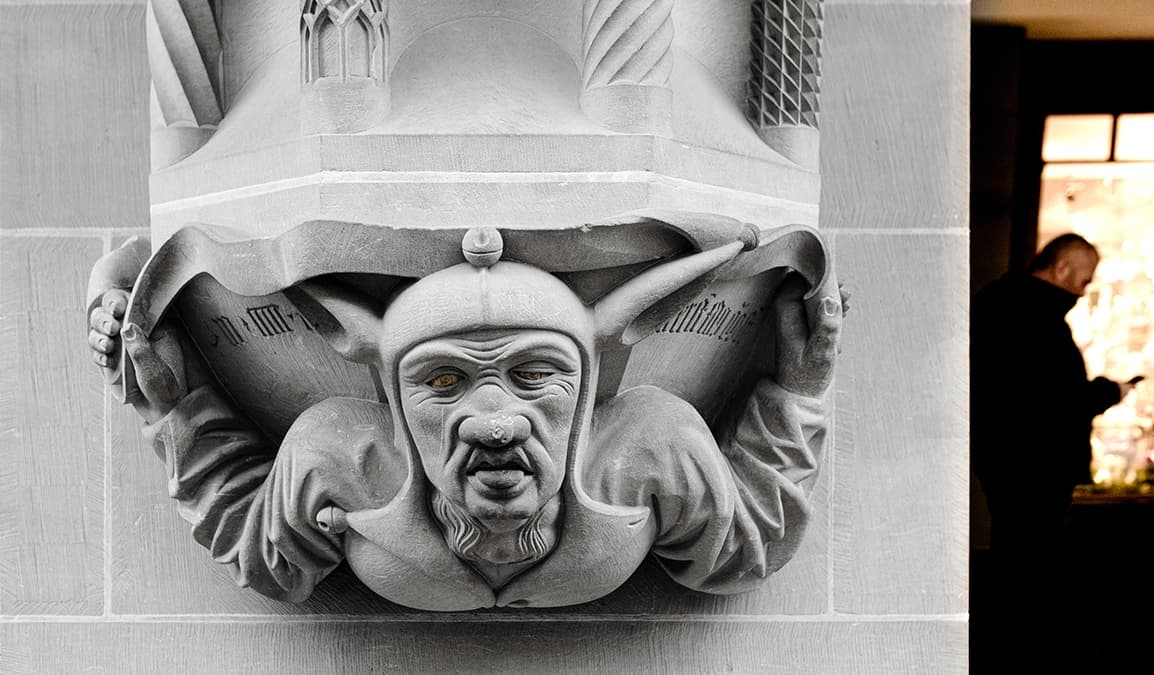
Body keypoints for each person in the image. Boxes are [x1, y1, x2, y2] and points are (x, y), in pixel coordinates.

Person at [88, 228, 843, 610]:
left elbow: (747, 544)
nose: (494, 422)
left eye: (534, 376)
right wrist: (169, 402)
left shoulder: (648, 447)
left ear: (587, 392)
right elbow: (260, 552)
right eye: (444, 383)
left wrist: (801, 389)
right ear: (393, 401)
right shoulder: (340, 457)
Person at [971, 233, 1136, 669]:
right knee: (1030, 566)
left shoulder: (1000, 301)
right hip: (1035, 466)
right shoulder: (1037, 316)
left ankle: (1014, 647)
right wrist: (1111, 391)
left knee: (1016, 558)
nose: (1084, 291)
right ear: (1061, 269)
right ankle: (1026, 652)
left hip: (1005, 460)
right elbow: (1060, 401)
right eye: (1084, 280)